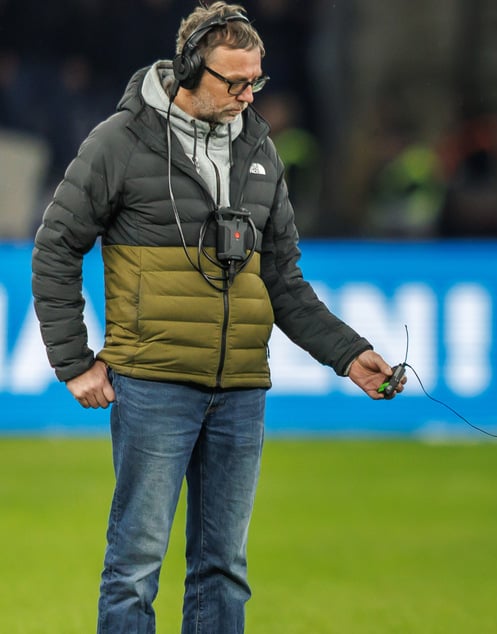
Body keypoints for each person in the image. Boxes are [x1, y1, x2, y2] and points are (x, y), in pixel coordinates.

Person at [30, 3, 404, 632]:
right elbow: (54, 248)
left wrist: (347, 353)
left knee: (224, 568)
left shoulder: (261, 148)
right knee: (134, 568)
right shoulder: (118, 142)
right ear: (187, 71)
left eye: (255, 81)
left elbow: (283, 280)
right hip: (153, 385)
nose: (247, 95)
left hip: (239, 392)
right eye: (233, 82)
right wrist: (73, 361)